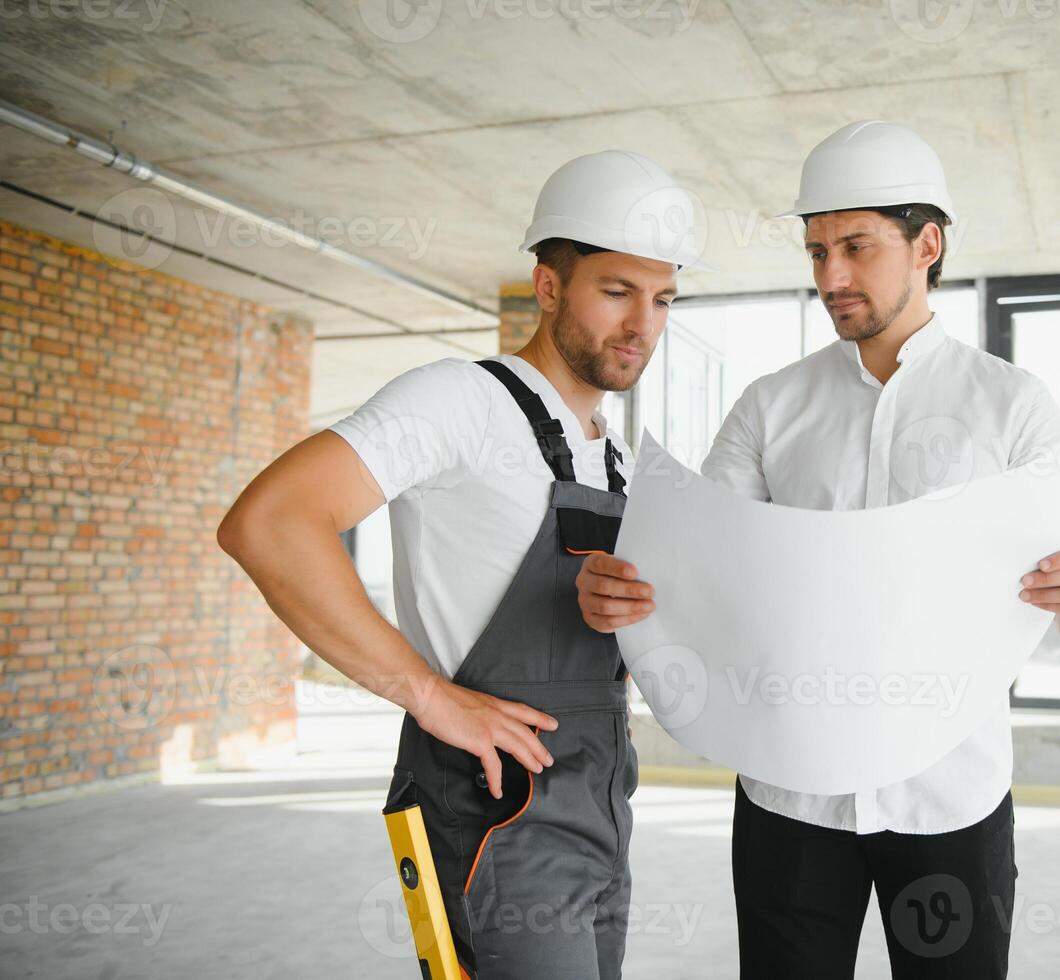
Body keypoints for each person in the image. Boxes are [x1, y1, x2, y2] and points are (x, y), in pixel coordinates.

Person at [575, 121, 1060, 979]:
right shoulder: (768, 407)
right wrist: (619, 596)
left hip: (949, 796)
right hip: (788, 796)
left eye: (857, 246)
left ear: (927, 245)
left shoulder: (1012, 407)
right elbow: (695, 566)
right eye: (816, 250)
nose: (830, 276)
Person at [217, 149, 702, 979]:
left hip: (600, 806)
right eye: (616, 291)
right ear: (549, 286)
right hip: (495, 816)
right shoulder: (459, 400)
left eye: (661, 299)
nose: (642, 325)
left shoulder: (614, 456)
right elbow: (269, 523)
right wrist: (428, 695)